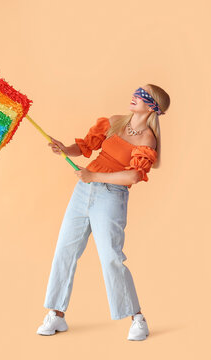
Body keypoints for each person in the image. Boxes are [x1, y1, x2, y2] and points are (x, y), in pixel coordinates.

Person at [36, 84, 170, 341]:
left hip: (111, 197)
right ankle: (56, 314)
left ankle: (138, 319)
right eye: (136, 91)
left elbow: (134, 175)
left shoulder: (147, 139)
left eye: (142, 95)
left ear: (152, 106)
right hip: (83, 191)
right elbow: (86, 147)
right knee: (65, 249)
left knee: (111, 257)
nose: (134, 95)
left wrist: (92, 175)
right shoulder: (115, 122)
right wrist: (65, 148)